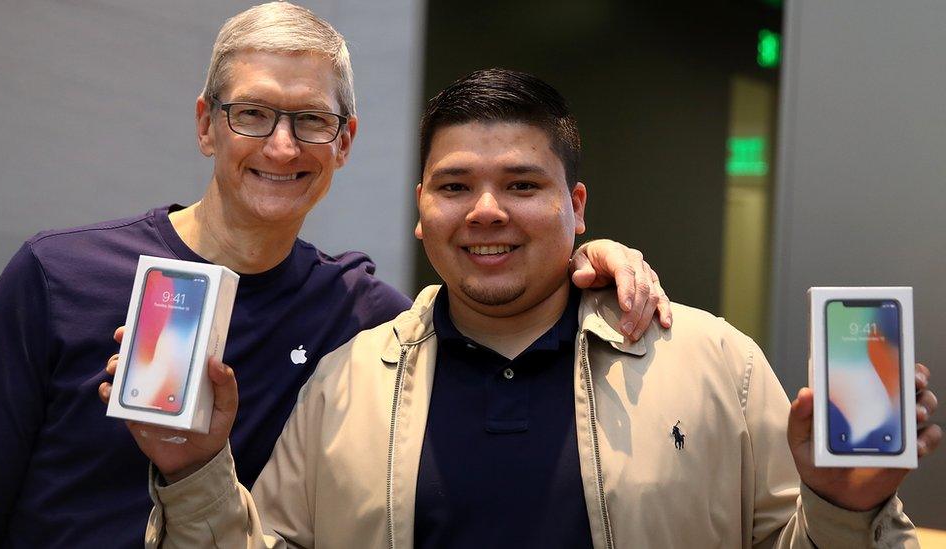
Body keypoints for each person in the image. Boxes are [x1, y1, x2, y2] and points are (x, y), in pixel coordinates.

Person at [117, 68, 941, 548]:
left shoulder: (715, 364)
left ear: (577, 205)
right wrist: (192, 472)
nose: (485, 211)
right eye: (454, 186)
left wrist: (849, 509)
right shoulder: (349, 382)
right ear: (420, 208)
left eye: (521, 185)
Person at [0, 4, 669, 548]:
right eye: (253, 113)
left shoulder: (361, 320)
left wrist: (584, 260)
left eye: (309, 119)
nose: (281, 145)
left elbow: (494, 301)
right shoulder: (59, 275)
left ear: (345, 142)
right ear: (207, 125)